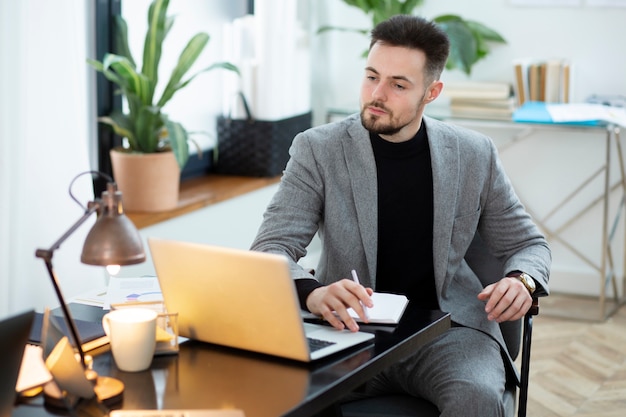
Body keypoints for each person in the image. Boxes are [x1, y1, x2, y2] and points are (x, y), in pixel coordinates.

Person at [250, 14, 550, 417]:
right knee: (275, 398)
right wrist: (314, 293)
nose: (377, 93)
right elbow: (271, 248)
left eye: (398, 84)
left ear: (431, 91)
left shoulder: (473, 153)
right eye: (371, 76)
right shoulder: (317, 149)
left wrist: (522, 280)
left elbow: (526, 243)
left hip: (448, 332)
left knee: (475, 398)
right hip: (346, 331)